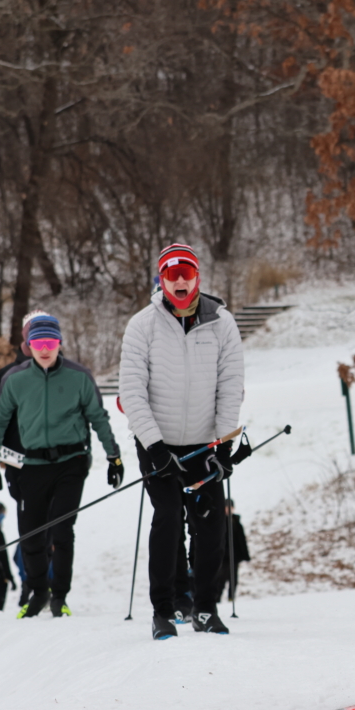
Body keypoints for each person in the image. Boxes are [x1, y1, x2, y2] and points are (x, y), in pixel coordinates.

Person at [119, 243, 250, 639]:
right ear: (161, 279)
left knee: (210, 525)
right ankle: (163, 610)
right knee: (170, 517)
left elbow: (231, 385)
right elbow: (132, 390)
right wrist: (155, 448)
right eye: (171, 273)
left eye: (186, 272)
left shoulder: (222, 323)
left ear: (197, 277)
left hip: (205, 444)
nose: (179, 279)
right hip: (158, 444)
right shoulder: (142, 325)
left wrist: (224, 445)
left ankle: (205, 607)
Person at [0, 312, 123, 618]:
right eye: (38, 342)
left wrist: (114, 456)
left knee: (61, 530)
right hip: (30, 465)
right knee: (30, 535)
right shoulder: (15, 379)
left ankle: (60, 595)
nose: (44, 348)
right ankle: (39, 592)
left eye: (50, 342)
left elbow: (98, 417)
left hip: (70, 463)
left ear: (59, 343)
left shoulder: (79, 377)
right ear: (29, 346)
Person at [0, 309, 46, 500]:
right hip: (21, 466)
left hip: (61, 467)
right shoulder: (9, 375)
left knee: (60, 528)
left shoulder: (69, 374)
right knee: (32, 528)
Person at [214, 499, 250, 603]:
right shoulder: (220, 522)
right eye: (226, 507)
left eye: (230, 507)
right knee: (221, 579)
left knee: (233, 579)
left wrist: (245, 555)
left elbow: (241, 540)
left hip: (235, 556)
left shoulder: (236, 522)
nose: (228, 510)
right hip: (223, 556)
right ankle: (217, 599)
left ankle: (231, 598)